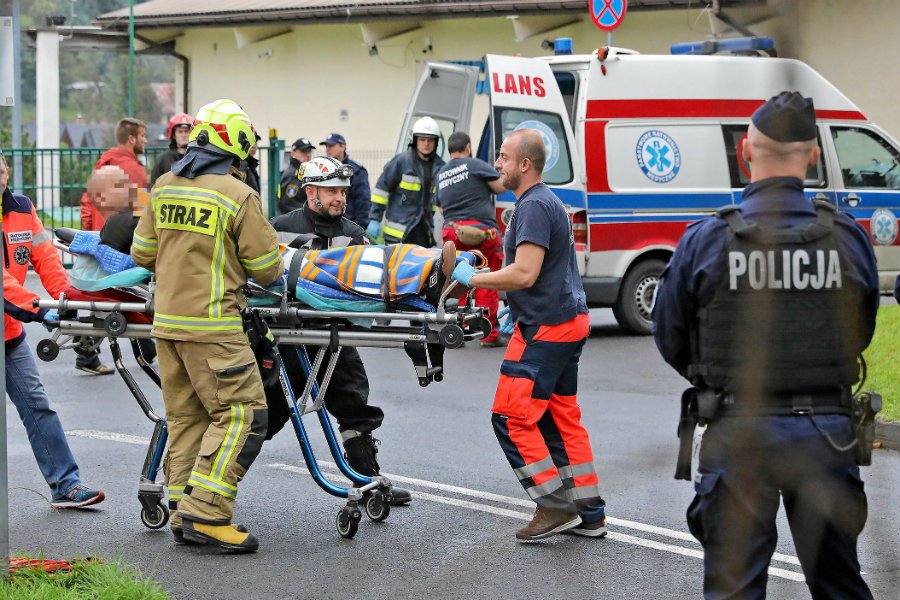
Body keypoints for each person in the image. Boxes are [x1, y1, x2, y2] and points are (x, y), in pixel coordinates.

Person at [652, 92, 878, 599]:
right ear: (814, 157)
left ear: (745, 153)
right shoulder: (846, 237)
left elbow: (670, 335)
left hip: (739, 433)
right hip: (826, 434)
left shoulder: (707, 239)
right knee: (840, 585)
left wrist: (716, 375)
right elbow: (860, 330)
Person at [132, 99, 284, 553]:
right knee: (243, 415)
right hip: (214, 326)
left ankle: (182, 507)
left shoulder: (164, 185)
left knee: (188, 418)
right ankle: (209, 512)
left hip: (167, 327)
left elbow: (142, 254)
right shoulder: (237, 194)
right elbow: (267, 269)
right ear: (235, 144)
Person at [450, 129, 607, 541]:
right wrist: (513, 306)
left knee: (511, 417)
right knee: (560, 416)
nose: (497, 164)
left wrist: (474, 278)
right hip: (566, 321)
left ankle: (554, 507)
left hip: (547, 328)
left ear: (525, 164)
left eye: (503, 157)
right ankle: (589, 512)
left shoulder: (534, 206)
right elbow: (541, 274)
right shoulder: (545, 202)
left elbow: (525, 272)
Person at [269, 156, 412, 506]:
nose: (340, 199)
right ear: (310, 191)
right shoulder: (277, 228)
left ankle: (369, 480)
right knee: (264, 416)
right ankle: (212, 489)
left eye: (344, 192)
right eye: (332, 191)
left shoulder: (353, 233)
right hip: (286, 340)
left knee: (354, 402)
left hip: (333, 338)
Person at [1, 151, 106, 509]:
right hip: (16, 317)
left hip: (9, 336)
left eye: (0, 170)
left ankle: (65, 485)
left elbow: (44, 255)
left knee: (38, 407)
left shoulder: (21, 207)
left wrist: (64, 299)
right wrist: (38, 309)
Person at [77, 117, 149, 375]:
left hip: (99, 237)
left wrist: (90, 236)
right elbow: (143, 214)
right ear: (131, 138)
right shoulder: (135, 170)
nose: (145, 141)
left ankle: (88, 347)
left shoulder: (102, 164)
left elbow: (87, 202)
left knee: (102, 294)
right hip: (121, 240)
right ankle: (88, 350)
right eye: (143, 136)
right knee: (128, 292)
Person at [435, 131, 506, 347]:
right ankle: (489, 334)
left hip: (452, 233)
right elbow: (501, 187)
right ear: (468, 147)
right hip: (481, 232)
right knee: (486, 279)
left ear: (449, 150)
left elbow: (440, 206)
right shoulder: (475, 165)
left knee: (459, 280)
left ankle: (461, 329)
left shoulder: (441, 173)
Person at [367, 116, 445, 246]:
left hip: (424, 230)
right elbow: (382, 190)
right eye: (422, 139)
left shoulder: (440, 167)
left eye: (430, 140)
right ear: (414, 140)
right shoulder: (401, 162)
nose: (426, 144)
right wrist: (375, 218)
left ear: (436, 142)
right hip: (397, 233)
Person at [320, 133, 370, 229]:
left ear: (342, 147)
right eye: (326, 146)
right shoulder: (322, 171)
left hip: (348, 225)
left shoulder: (356, 171)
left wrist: (358, 228)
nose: (327, 149)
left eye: (331, 145)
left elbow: (363, 202)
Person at [150, 113, 194, 186]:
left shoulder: (198, 159)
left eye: (186, 131)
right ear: (173, 135)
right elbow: (153, 185)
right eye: (180, 132)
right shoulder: (163, 160)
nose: (183, 135)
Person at [278, 137, 315, 214]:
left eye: (309, 151)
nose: (308, 154)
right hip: (298, 221)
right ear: (293, 154)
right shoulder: (293, 174)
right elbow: (288, 203)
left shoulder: (305, 171)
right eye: (303, 151)